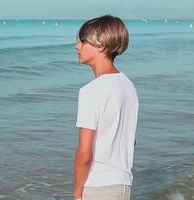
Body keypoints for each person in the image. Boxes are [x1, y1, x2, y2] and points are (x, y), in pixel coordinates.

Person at [73, 15, 139, 200]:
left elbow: (84, 154)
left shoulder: (91, 91)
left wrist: (78, 194)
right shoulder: (128, 86)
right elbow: (129, 140)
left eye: (83, 41)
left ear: (101, 45)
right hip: (123, 184)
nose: (77, 46)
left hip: (97, 186)